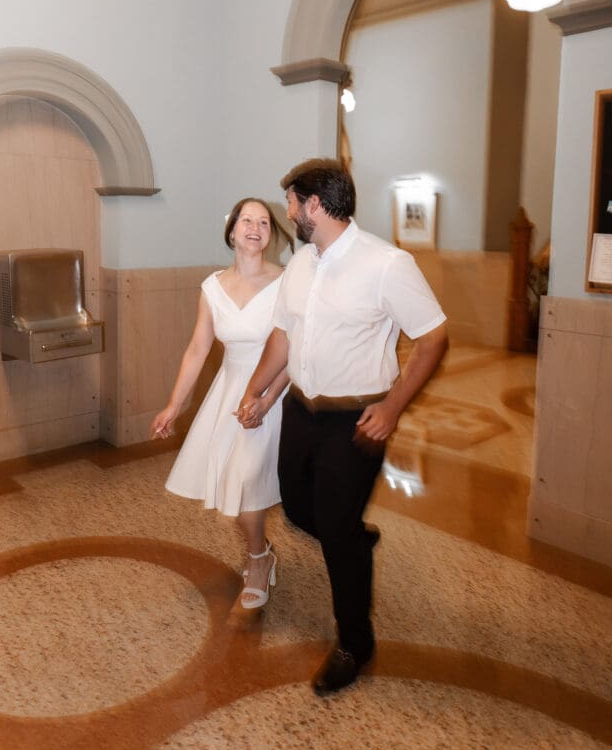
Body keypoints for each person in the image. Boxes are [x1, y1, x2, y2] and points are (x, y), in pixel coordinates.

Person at [237, 159, 447, 693]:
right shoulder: (301, 262)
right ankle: (351, 532)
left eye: (290, 202)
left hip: (356, 420)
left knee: (332, 528)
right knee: (299, 506)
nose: (286, 212)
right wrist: (257, 390)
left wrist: (394, 407)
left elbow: (433, 338)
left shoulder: (387, 264)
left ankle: (356, 641)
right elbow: (283, 338)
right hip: (301, 411)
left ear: (313, 205)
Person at [152, 198, 293, 610]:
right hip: (230, 390)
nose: (255, 226)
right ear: (231, 231)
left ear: (271, 235)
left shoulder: (286, 282)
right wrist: (174, 405)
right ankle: (261, 548)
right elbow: (197, 349)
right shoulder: (212, 288)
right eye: (246, 220)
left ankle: (258, 560)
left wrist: (267, 399)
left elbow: (294, 349)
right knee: (232, 486)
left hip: (274, 392)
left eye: (264, 221)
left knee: (246, 479)